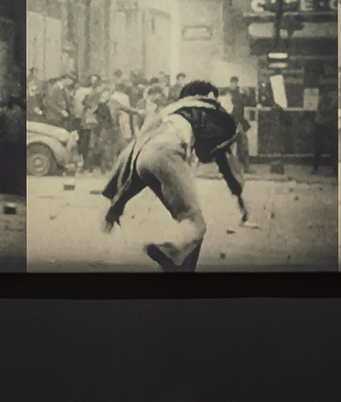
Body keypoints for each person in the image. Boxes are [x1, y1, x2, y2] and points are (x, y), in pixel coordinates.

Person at [99, 79, 249, 271]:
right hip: (169, 153)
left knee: (189, 221)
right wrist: (239, 195)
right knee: (196, 225)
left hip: (144, 157)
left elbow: (138, 168)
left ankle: (181, 268)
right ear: (208, 96)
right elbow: (216, 158)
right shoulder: (211, 111)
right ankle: (169, 250)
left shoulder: (169, 113)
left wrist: (117, 206)